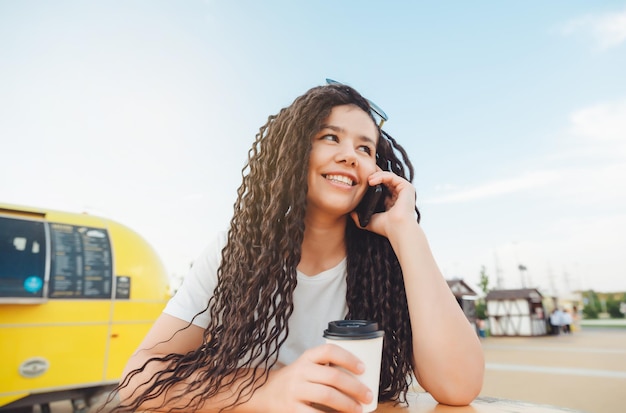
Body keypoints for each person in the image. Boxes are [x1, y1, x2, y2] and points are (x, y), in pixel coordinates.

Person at [113, 80, 485, 412]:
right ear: (294, 152)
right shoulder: (239, 250)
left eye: (365, 148)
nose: (350, 155)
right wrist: (269, 390)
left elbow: (458, 387)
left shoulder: (392, 258)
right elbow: (137, 380)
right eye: (330, 138)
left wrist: (407, 232)